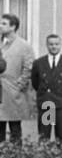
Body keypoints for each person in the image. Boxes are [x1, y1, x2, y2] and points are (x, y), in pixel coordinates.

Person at [30, 33, 62, 142]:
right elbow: (35, 82)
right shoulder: (39, 63)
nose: (54, 46)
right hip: (47, 104)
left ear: (60, 45)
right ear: (46, 45)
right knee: (44, 136)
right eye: (51, 44)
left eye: (56, 44)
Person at [0, 12, 34, 141]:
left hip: (14, 93)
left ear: (13, 27)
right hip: (0, 93)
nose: (0, 26)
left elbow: (28, 68)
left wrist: (19, 85)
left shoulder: (24, 45)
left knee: (15, 129)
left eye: (4, 23)